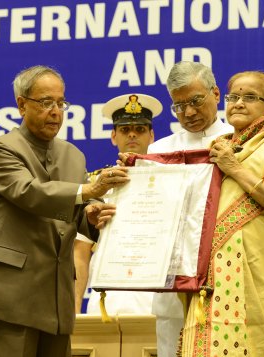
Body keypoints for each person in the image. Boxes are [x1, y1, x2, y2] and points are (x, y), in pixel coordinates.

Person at [0, 65, 128, 357]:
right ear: (21, 104)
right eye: (46, 102)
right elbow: (29, 193)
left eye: (61, 103)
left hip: (57, 296)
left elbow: (72, 214)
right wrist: (89, 191)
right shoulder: (1, 149)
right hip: (11, 294)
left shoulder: (73, 155)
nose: (56, 111)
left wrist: (88, 216)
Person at [180, 71, 264, 356]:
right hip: (214, 284)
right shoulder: (218, 150)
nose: (238, 103)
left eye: (250, 97)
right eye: (233, 97)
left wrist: (235, 169)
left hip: (262, 282)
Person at [146, 61, 233, 356]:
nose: (189, 113)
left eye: (196, 101)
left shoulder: (242, 140)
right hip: (174, 286)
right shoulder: (159, 151)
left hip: (228, 281)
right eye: (179, 106)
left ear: (216, 94)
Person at [74, 93, 162, 315]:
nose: (132, 134)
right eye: (124, 130)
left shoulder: (168, 182)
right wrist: (74, 312)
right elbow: (80, 253)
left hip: (157, 293)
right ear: (113, 136)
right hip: (107, 297)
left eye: (140, 129)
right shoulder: (96, 185)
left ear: (152, 135)